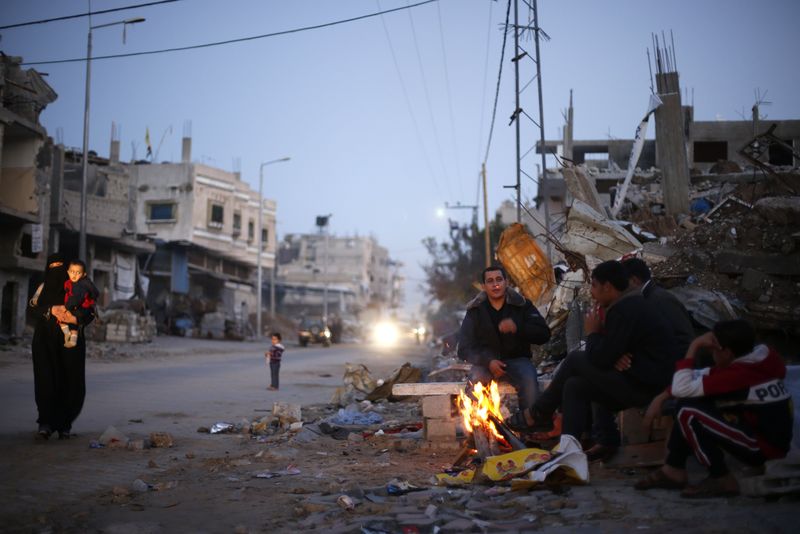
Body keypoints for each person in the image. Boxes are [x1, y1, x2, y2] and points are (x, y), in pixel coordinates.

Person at [506, 261, 678, 446]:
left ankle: (538, 413)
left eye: (594, 286)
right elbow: (610, 352)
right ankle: (571, 447)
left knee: (575, 360)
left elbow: (600, 358)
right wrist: (611, 355)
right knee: (575, 385)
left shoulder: (625, 309)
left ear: (607, 287)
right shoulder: (627, 305)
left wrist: (593, 332)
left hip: (646, 386)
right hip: (635, 377)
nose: (592, 293)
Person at [635, 320, 793, 498]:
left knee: (688, 412)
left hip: (763, 448)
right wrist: (662, 396)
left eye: (712, 349)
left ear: (726, 352)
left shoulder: (739, 375)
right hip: (761, 436)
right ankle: (673, 468)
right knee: (690, 402)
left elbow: (683, 387)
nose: (710, 353)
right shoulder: (758, 360)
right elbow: (700, 377)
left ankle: (721, 478)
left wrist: (693, 346)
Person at [587, 257, 696, 461]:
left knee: (588, 367)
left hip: (667, 370)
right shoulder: (634, 301)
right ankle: (603, 439)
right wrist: (619, 355)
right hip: (641, 364)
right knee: (596, 376)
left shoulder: (659, 299)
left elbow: (682, 342)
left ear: (633, 280)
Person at [457, 265, 551, 412]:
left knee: (529, 380)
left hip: (518, 360)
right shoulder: (475, 311)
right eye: (490, 281)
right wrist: (488, 362)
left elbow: (544, 334)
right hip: (484, 365)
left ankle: (529, 426)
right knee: (474, 384)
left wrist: (517, 328)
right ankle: (482, 428)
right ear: (483, 286)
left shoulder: (522, 305)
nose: (495, 284)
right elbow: (463, 348)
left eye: (499, 279)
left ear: (506, 282)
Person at [30, 254, 96, 440]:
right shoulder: (42, 288)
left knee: (70, 381)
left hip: (71, 346)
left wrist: (76, 318)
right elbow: (32, 307)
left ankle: (64, 424)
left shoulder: (78, 288)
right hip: (44, 343)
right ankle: (45, 423)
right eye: (53, 267)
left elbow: (90, 311)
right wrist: (50, 310)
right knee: (45, 380)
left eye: (61, 266)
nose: (57, 272)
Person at [61, 260, 99, 348]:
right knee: (67, 321)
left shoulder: (81, 285)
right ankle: (69, 336)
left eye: (78, 273)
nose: (74, 275)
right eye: (72, 272)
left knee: (70, 320)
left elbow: (76, 299)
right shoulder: (72, 283)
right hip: (82, 308)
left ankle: (71, 337)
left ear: (83, 274)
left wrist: (67, 307)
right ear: (68, 272)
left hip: (82, 309)